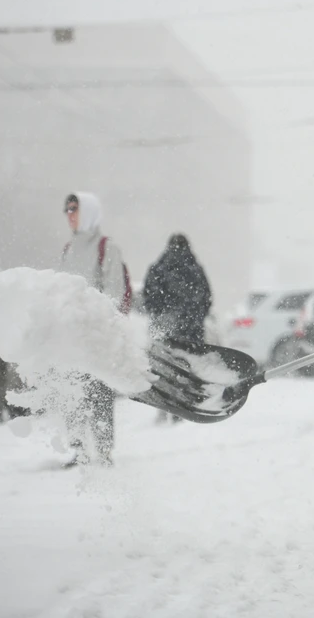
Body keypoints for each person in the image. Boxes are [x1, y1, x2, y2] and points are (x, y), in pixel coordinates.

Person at [59, 192, 127, 467]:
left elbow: (114, 291)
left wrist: (98, 321)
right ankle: (78, 448)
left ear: (88, 211)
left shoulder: (106, 247)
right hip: (71, 336)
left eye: (74, 209)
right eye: (67, 210)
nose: (70, 215)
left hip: (96, 335)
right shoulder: (68, 249)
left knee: (99, 392)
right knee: (72, 391)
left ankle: (103, 448)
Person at [142, 234, 213, 423]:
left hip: (165, 328)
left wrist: (161, 316)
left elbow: (148, 297)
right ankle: (182, 407)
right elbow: (206, 298)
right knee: (186, 368)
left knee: (163, 367)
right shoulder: (195, 269)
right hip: (190, 330)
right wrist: (194, 319)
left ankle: (162, 406)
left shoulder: (158, 268)